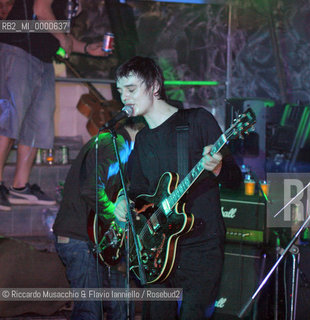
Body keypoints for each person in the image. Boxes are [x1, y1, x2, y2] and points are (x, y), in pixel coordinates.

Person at [114, 56, 242, 319]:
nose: (124, 97)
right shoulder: (143, 140)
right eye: (120, 92)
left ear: (155, 86)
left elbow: (234, 180)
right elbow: (137, 193)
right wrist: (123, 201)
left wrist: (217, 168)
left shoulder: (196, 121)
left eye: (131, 89)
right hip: (157, 249)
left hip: (200, 244)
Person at [0, 0, 110, 211]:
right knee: (8, 120)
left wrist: (87, 48)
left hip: (42, 58)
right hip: (17, 49)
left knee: (38, 124)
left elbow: (56, 33)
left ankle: (19, 187)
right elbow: (40, 10)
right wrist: (62, 38)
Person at [53, 118, 144, 319]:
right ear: (142, 130)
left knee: (117, 307)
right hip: (80, 239)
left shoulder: (107, 142)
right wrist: (114, 215)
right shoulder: (118, 145)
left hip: (87, 238)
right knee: (89, 313)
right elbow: (92, 188)